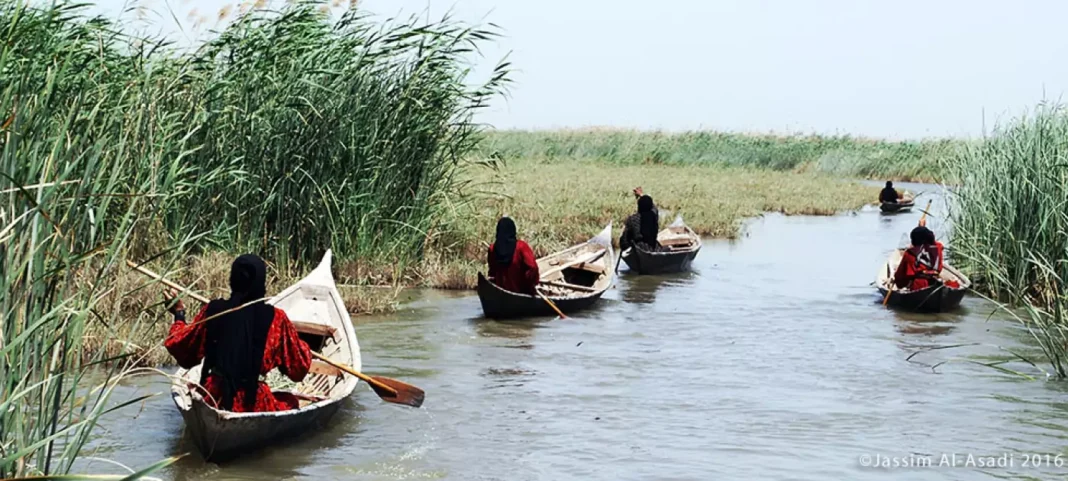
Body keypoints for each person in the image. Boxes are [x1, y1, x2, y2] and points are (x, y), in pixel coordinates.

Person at [163, 254, 312, 413]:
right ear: (261, 283)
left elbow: (182, 346)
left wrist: (179, 314)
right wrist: (306, 347)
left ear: (232, 280)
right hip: (254, 403)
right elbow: (299, 369)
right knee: (290, 401)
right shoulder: (277, 319)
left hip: (214, 398)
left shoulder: (213, 311)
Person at [487, 216, 540, 294]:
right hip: (521, 290)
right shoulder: (521, 247)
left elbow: (492, 272)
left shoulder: (492, 249)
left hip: (501, 290)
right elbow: (533, 268)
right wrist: (531, 284)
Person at [893, 226, 945, 290]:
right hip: (936, 282)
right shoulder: (938, 247)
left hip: (918, 286)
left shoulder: (910, 253)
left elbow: (900, 276)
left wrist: (897, 281)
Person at [620, 186, 660, 252]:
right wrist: (641, 194)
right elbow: (654, 207)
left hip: (638, 250)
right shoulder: (653, 216)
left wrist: (625, 248)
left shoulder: (632, 219)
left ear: (639, 207)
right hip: (653, 248)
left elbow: (624, 240)